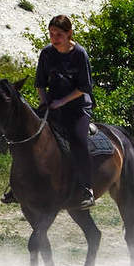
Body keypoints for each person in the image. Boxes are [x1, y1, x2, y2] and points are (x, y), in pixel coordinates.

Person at [34, 14, 95, 210]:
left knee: (78, 139)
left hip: (77, 106)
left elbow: (84, 87)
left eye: (59, 34)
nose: (54, 38)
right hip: (52, 104)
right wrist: (44, 103)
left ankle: (87, 188)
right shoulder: (46, 54)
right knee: (28, 133)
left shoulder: (79, 54)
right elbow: (40, 84)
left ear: (69, 34)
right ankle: (16, 185)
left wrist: (61, 102)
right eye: (51, 34)